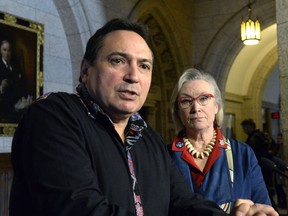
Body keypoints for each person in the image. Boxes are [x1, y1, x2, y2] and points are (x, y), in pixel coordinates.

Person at [9, 18, 278, 216]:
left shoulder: (148, 138)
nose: (133, 75)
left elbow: (182, 202)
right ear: (86, 70)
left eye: (144, 65)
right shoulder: (53, 117)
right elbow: (82, 209)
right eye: (117, 60)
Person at [168, 68, 275, 214]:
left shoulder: (242, 153)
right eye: (186, 101)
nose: (196, 108)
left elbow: (262, 207)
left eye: (203, 98)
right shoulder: (165, 156)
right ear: (177, 110)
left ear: (216, 106)